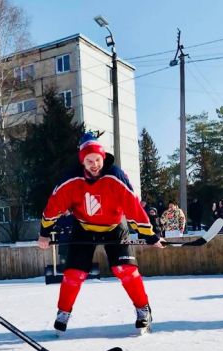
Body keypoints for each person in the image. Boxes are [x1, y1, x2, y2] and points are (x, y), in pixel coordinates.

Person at [37, 132, 164, 334]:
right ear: (82, 161)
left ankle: (143, 310)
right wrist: (45, 233)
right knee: (73, 274)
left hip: (114, 226)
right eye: (89, 161)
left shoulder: (116, 176)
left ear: (103, 157)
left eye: (97, 159)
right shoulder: (70, 179)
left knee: (125, 270)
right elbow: (53, 207)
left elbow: (133, 207)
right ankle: (63, 313)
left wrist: (150, 235)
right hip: (84, 228)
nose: (94, 164)